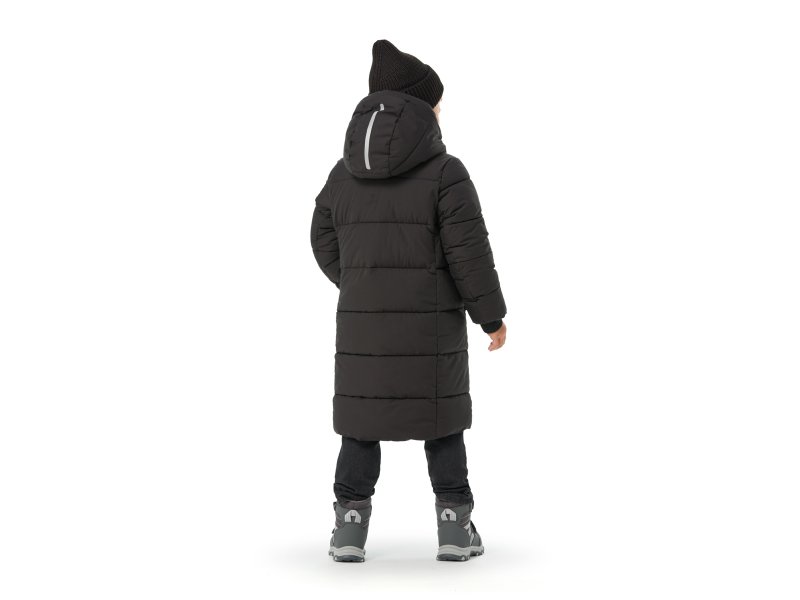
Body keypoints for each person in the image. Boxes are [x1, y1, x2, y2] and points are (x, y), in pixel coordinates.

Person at [310, 39, 508, 562]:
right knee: (442, 424)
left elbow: (322, 239)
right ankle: (455, 527)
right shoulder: (446, 173)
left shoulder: (342, 174)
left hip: (364, 331)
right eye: (437, 103)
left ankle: (350, 528)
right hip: (432, 330)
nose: (441, 111)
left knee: (361, 424)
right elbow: (469, 254)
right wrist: (491, 317)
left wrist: (361, 282)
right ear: (421, 108)